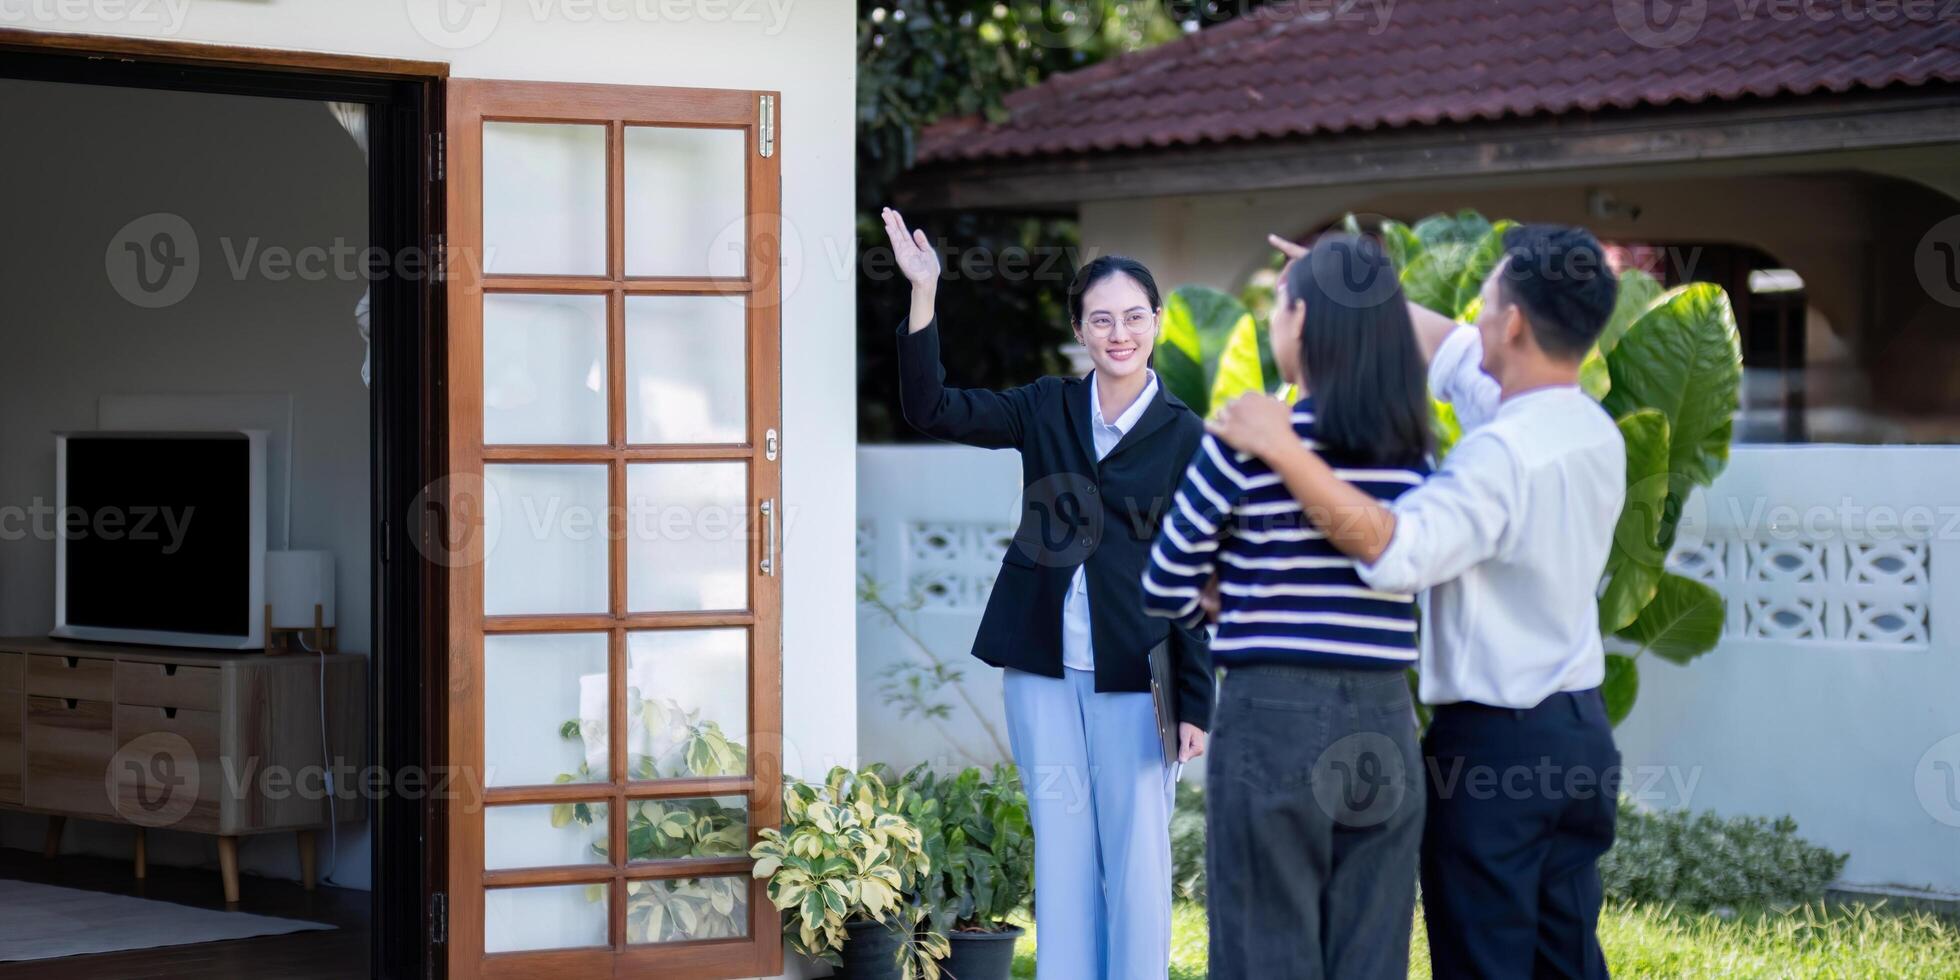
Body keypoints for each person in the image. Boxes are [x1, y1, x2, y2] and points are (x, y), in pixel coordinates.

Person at [1207, 224, 1627, 979]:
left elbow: (1391, 553)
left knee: (1483, 960)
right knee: (1566, 958)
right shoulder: (1589, 429)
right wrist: (1353, 293)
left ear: (1516, 323)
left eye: (1487, 302)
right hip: (1580, 739)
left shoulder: (1497, 455)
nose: (1476, 318)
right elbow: (1455, 351)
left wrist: (1282, 446)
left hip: (1498, 750)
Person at [882, 207, 1213, 980]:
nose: (1119, 333)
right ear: (1079, 330)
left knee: (1136, 855)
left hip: (1141, 670)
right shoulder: (1045, 406)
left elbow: (1198, 568)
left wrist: (1198, 700)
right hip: (1041, 666)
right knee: (1062, 849)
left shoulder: (1184, 433)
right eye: (1102, 319)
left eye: (1134, 317)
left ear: (1157, 322)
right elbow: (931, 408)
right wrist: (923, 292)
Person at [1142, 235, 1430, 980]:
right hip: (1384, 718)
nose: (1272, 323)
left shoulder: (1246, 439)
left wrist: (1223, 593)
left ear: (1301, 321)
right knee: (1372, 947)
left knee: (1263, 941)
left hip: (1272, 715)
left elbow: (1164, 581)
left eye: (1277, 306)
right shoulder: (1412, 454)